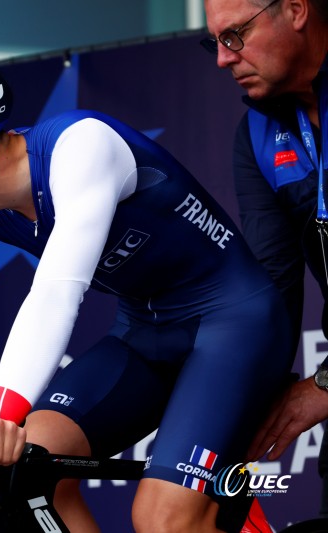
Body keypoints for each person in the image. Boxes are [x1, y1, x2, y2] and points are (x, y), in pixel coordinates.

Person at [0, 49, 291, 532]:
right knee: (29, 469)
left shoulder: (82, 147)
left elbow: (55, 293)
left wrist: (0, 414)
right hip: (145, 334)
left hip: (235, 326)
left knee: (163, 520)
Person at [202, 0, 328, 516]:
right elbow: (271, 289)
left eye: (235, 35)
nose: (222, 59)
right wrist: (231, 401)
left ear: (296, 9)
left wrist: (323, 384)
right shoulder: (256, 133)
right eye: (214, 42)